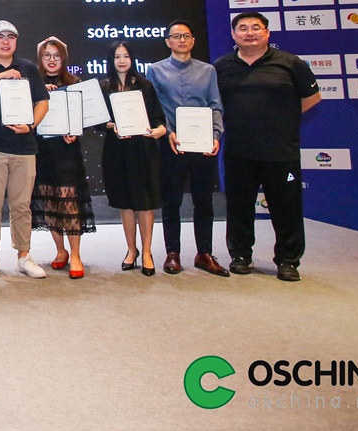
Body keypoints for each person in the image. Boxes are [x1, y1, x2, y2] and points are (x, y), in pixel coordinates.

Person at [213, 12, 321, 282]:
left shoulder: (290, 63)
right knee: (239, 207)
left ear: (267, 33)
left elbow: (312, 97)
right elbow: (215, 106)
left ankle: (288, 260)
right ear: (233, 34)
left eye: (256, 28)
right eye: (243, 28)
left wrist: (283, 119)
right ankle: (240, 255)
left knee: (287, 208)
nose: (249, 33)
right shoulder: (221, 66)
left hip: (281, 152)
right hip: (239, 151)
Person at [0, 20, 50, 280]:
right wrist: (0, 77)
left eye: (10, 37)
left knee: (22, 206)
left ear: (16, 41)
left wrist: (31, 125)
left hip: (24, 148)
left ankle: (24, 255)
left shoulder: (29, 68)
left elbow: (43, 102)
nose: (5, 41)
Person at [145, 20, 228, 277]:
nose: (182, 40)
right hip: (172, 144)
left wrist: (215, 135)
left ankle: (204, 253)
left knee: (204, 200)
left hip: (202, 145)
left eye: (186, 36)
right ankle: (173, 253)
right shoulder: (155, 70)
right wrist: (169, 132)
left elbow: (215, 105)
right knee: (172, 201)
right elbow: (155, 107)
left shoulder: (208, 71)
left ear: (193, 40)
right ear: (167, 41)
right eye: (176, 36)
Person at [99, 41, 167, 277]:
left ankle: (147, 252)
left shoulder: (145, 85)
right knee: (125, 202)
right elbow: (98, 122)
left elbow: (158, 118)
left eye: (126, 56)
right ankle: (131, 249)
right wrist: (112, 125)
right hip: (116, 151)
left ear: (132, 59)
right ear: (111, 60)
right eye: (117, 56)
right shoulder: (104, 87)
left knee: (144, 202)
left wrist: (159, 130)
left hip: (143, 149)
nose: (121, 61)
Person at [31, 37, 96, 279]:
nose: (52, 60)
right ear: (40, 58)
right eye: (47, 55)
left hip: (68, 153)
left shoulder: (75, 83)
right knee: (49, 202)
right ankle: (60, 251)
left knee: (70, 203)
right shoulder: (33, 84)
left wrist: (76, 130)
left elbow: (87, 119)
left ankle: (76, 254)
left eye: (56, 56)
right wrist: (39, 96)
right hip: (43, 152)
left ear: (64, 59)